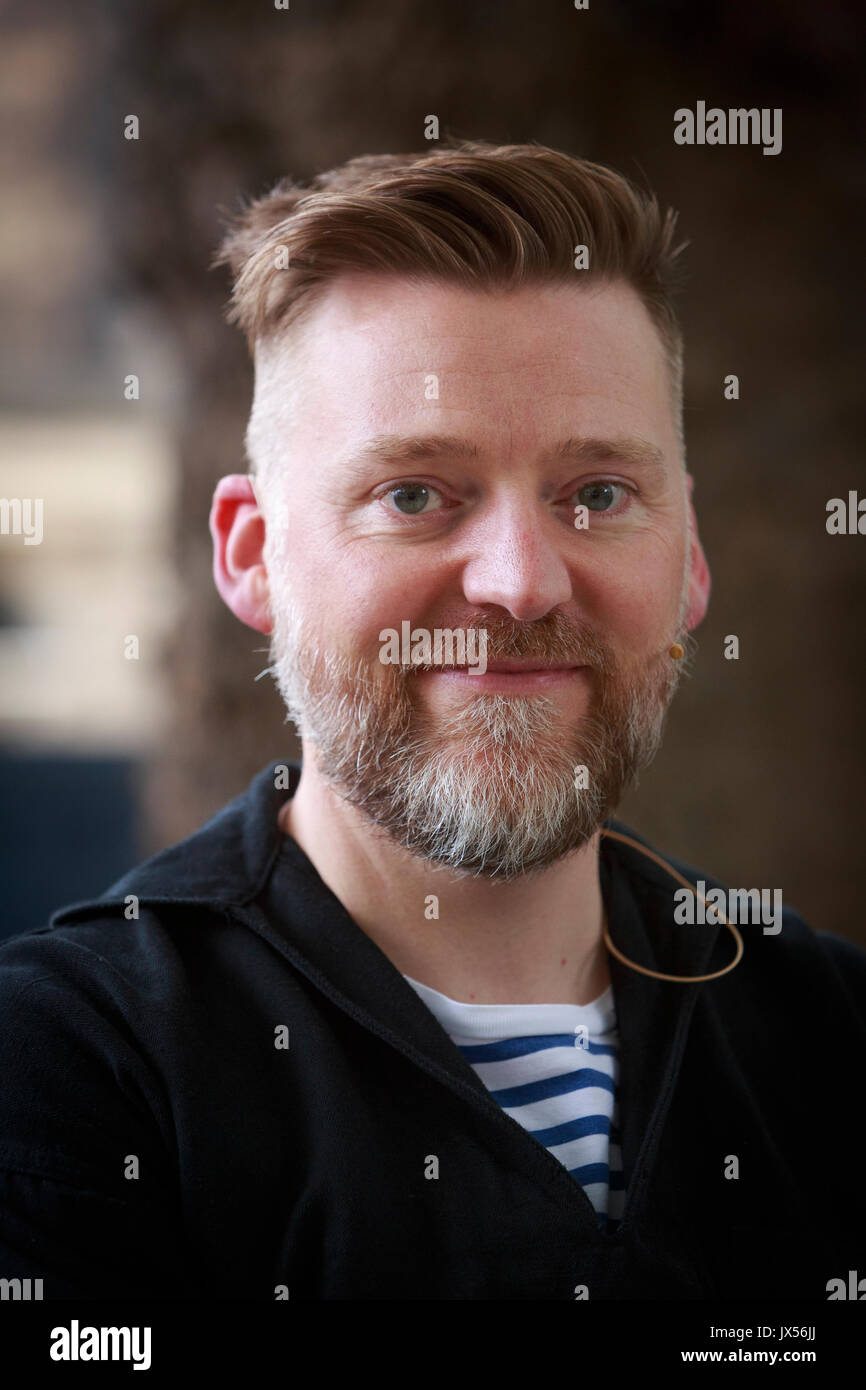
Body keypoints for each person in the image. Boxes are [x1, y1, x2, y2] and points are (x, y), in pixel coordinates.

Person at [1, 139, 864, 1301]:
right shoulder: (67, 1070)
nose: (520, 582)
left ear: (689, 557)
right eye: (413, 495)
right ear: (252, 556)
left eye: (596, 495)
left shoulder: (836, 1038)